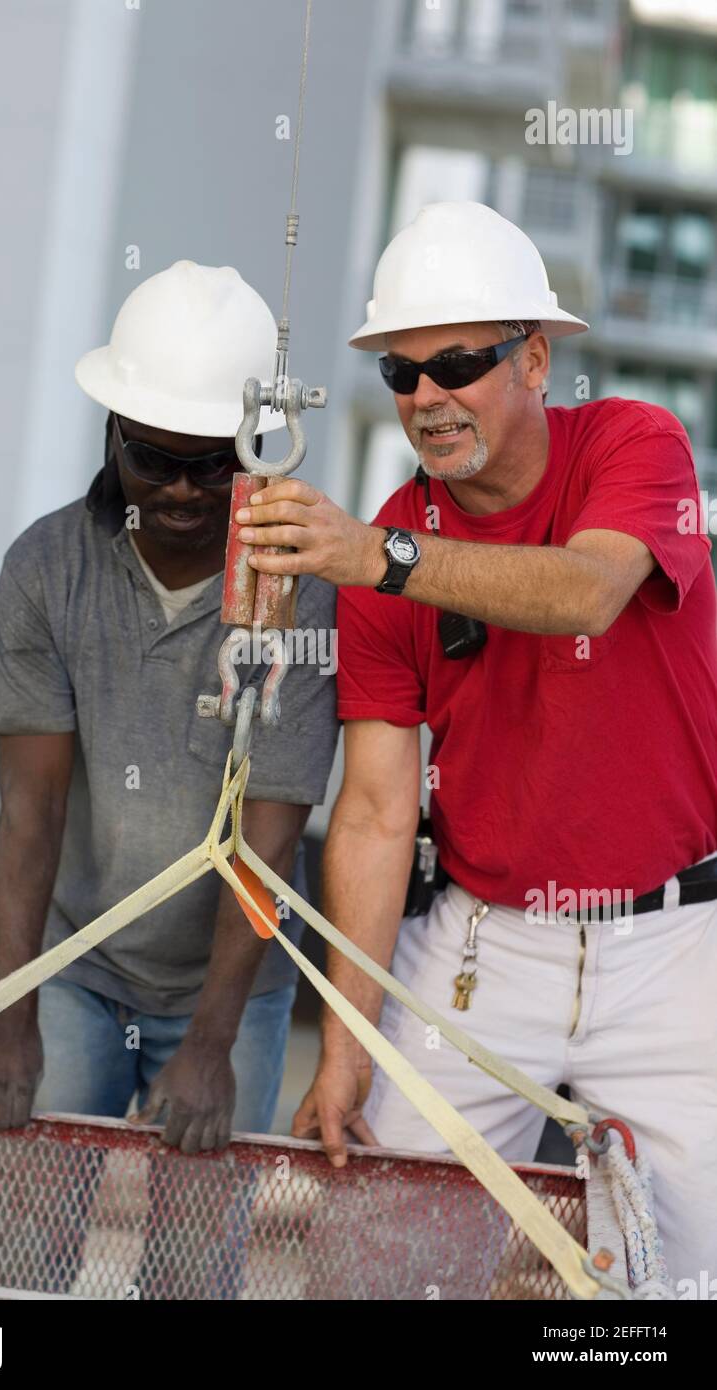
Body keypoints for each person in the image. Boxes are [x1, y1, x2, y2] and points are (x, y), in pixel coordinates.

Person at [232, 201, 717, 1287]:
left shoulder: (634, 443)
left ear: (535, 359)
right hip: (480, 945)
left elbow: (587, 590)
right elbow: (368, 813)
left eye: (455, 362)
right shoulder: (381, 547)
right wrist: (343, 1046)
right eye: (400, 376)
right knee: (380, 1256)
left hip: (675, 943)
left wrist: (378, 555)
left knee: (687, 1278)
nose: (426, 398)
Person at [0, 259, 338, 1153]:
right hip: (73, 964)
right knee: (29, 1239)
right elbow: (31, 809)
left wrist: (212, 1044)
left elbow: (272, 836)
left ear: (257, 450)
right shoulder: (46, 569)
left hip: (232, 991)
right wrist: (10, 1014)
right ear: (111, 433)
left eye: (210, 466)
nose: (179, 490)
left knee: (196, 1267)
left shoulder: (302, 593)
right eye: (152, 458)